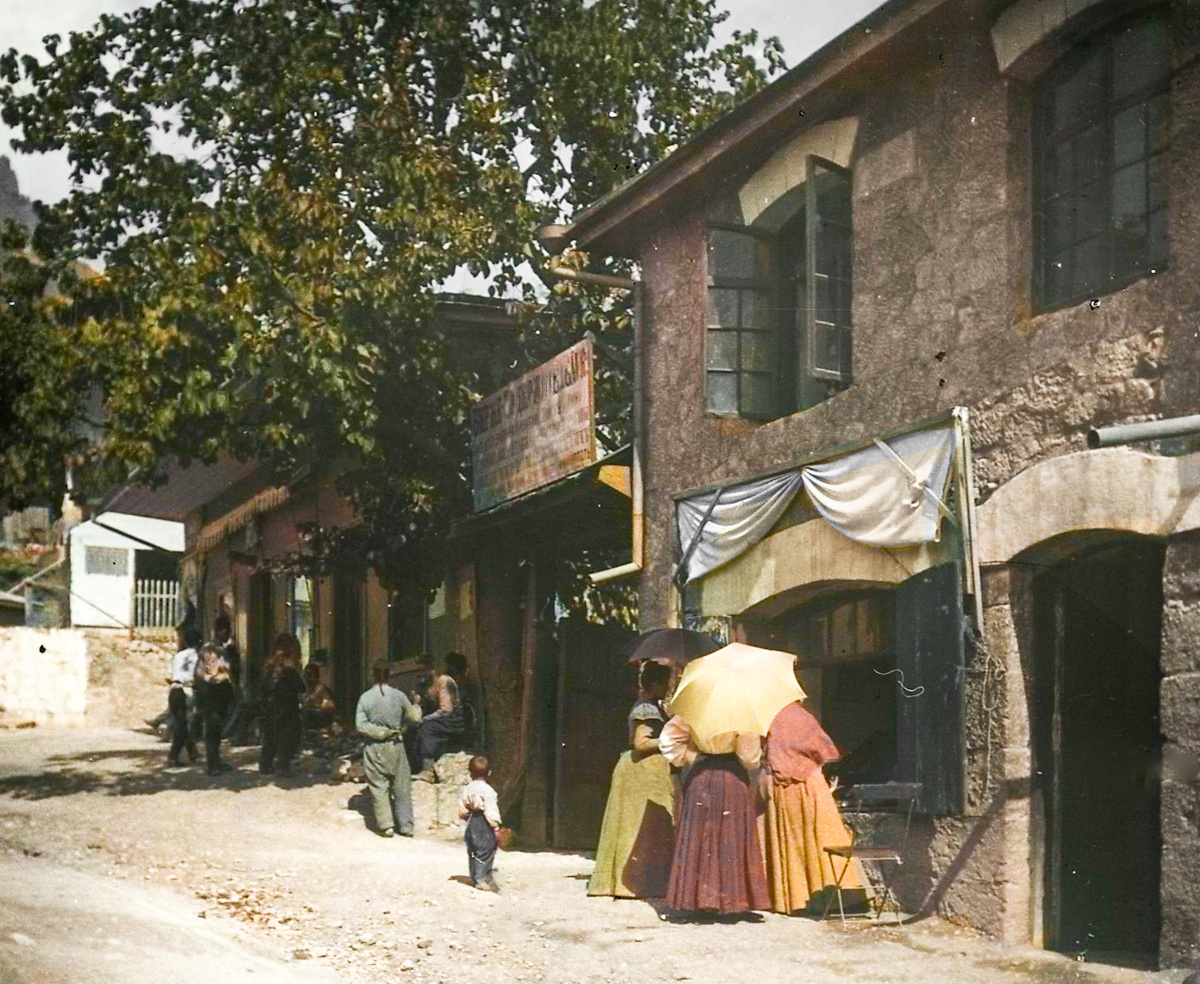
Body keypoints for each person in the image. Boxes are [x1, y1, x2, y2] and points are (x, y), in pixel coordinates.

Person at [762, 701, 869, 915]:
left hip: (778, 786)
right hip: (807, 784)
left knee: (792, 843)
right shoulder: (800, 717)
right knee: (824, 837)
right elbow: (825, 751)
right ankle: (842, 897)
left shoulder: (769, 719)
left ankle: (793, 899)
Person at [660, 716, 769, 915]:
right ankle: (731, 901)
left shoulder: (695, 709)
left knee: (700, 836)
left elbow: (668, 741)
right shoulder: (741, 713)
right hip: (731, 777)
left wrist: (690, 756)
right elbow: (749, 758)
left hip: (701, 775)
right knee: (730, 836)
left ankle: (696, 899)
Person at [588, 660, 676, 899]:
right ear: (655, 683)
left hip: (646, 772)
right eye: (666, 683)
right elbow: (641, 743)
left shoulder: (653, 707)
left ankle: (641, 882)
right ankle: (633, 883)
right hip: (641, 772)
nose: (668, 688)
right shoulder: (645, 709)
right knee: (637, 826)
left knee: (646, 827)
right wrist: (671, 741)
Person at [355, 660, 423, 837]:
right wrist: (414, 708)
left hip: (374, 746)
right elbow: (414, 718)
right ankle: (406, 826)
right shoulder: (399, 696)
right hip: (396, 744)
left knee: (379, 786)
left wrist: (379, 732)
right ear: (389, 675)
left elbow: (360, 725)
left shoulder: (365, 698)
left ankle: (386, 825)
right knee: (401, 786)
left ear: (373, 675)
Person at [413, 652, 467, 779]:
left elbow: (446, 710)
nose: (421, 674)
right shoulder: (425, 686)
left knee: (426, 727)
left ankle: (428, 770)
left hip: (453, 720)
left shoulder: (444, 681)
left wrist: (425, 719)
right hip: (441, 719)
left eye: (424, 670)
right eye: (418, 670)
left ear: (432, 669)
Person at [259, 633, 306, 776]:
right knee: (289, 735)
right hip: (287, 706)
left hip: (270, 706)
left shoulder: (269, 666)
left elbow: (263, 687)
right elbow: (301, 687)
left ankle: (265, 764)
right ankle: (282, 766)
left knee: (271, 736)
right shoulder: (289, 668)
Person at [458, 754, 502, 892]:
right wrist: (495, 825)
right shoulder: (488, 791)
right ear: (489, 773)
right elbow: (491, 810)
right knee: (486, 849)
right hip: (483, 822)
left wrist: (464, 816)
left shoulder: (467, 789)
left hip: (471, 821)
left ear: (470, 773)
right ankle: (480, 878)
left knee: (473, 849)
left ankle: (473, 876)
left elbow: (461, 806)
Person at [194, 641, 235, 776]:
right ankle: (213, 765)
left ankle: (216, 762)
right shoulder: (204, 673)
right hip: (210, 706)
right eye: (209, 657)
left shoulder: (219, 672)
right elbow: (207, 681)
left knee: (215, 736)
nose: (212, 659)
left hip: (218, 706)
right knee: (211, 735)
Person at [166, 627, 202, 768]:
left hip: (174, 690)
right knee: (182, 726)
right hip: (186, 691)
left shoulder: (178, 655)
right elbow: (198, 675)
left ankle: (192, 751)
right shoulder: (198, 656)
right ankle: (173, 756)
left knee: (181, 723)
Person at [301, 663, 337, 732]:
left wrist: (319, 707)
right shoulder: (302, 689)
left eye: (310, 676)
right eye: (306, 675)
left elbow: (330, 707)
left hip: (318, 719)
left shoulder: (322, 689)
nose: (307, 679)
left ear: (316, 676)